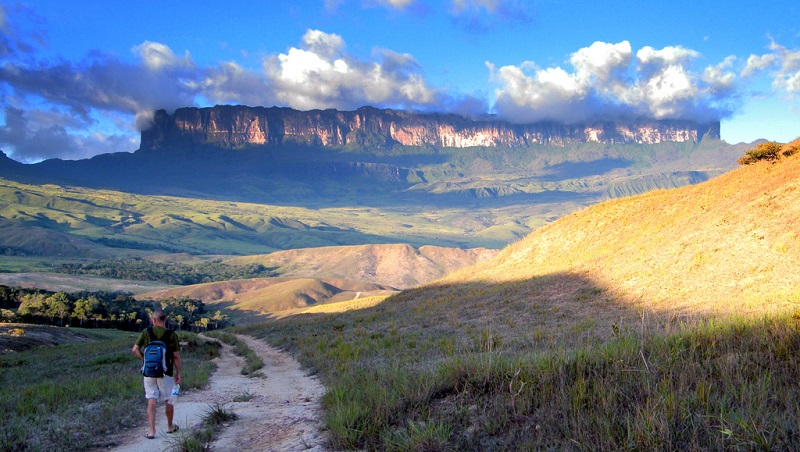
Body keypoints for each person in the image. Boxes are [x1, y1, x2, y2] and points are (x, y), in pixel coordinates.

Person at [132, 309, 182, 439]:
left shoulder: (146, 332)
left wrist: (145, 360)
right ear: (165, 319)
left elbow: (135, 349)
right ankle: (170, 426)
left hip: (149, 372)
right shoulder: (172, 335)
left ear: (153, 320)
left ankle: (151, 431)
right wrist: (178, 373)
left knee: (151, 399)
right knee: (168, 400)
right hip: (166, 372)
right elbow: (176, 356)